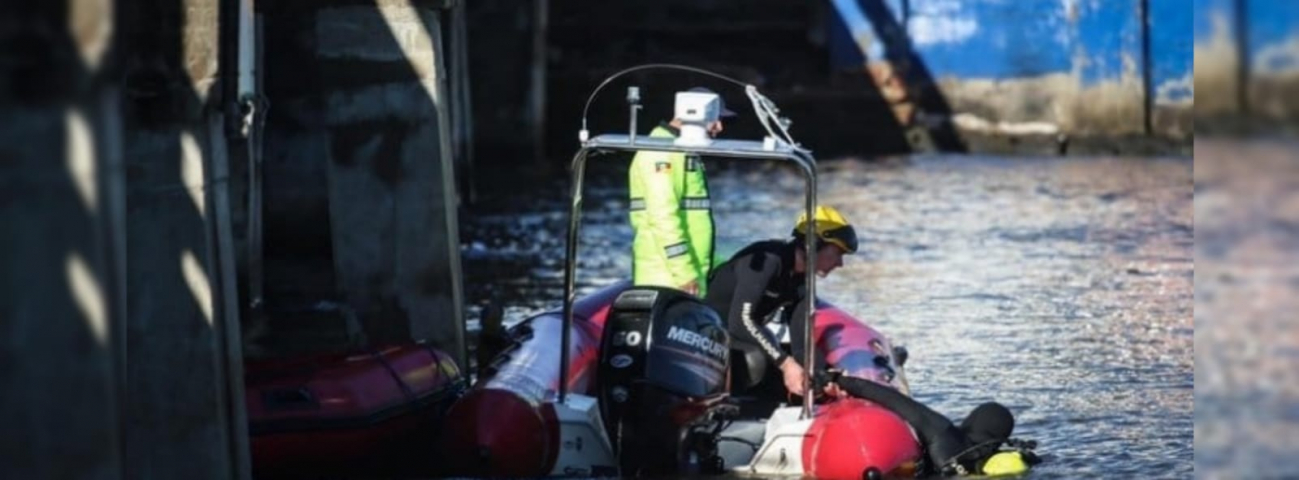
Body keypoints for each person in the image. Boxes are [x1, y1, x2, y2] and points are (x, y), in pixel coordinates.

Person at [704, 206, 858, 397]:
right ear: (813, 244)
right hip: (709, 337)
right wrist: (786, 364)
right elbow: (740, 321)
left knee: (784, 362)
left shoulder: (802, 281)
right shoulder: (768, 261)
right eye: (837, 254)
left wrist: (823, 375)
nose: (840, 264)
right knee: (762, 359)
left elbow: (801, 343)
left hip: (739, 338)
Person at [815, 371, 1039, 476]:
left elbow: (894, 400)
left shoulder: (944, 433)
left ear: (973, 419)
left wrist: (840, 380)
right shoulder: (996, 459)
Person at [628, 87, 736, 297]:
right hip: (668, 280)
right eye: (716, 119)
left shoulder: (680, 150)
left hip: (685, 276)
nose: (720, 127)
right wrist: (684, 272)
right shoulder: (662, 153)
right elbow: (663, 216)